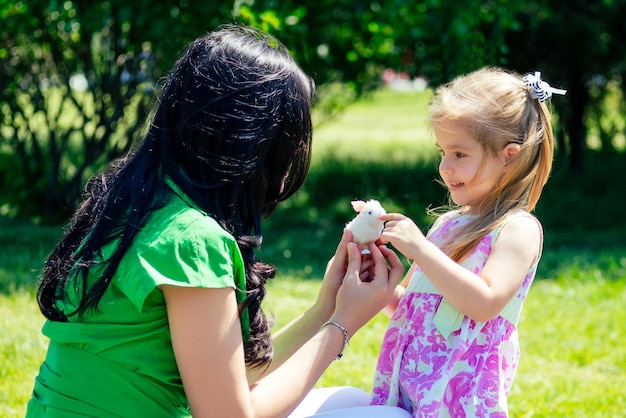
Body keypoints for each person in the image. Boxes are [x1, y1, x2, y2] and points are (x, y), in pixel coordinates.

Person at [26, 24, 406, 418]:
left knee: (353, 402)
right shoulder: (192, 241)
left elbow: (226, 375)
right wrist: (345, 323)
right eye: (288, 144)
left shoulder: (136, 200)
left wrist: (325, 308)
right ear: (252, 143)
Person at [369, 67, 566, 416]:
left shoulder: (518, 229)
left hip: (459, 396)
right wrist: (382, 288)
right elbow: (421, 308)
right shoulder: (448, 224)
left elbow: (483, 302)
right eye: (442, 151)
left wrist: (421, 249)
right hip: (412, 386)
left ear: (510, 155)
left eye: (459, 154)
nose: (445, 167)